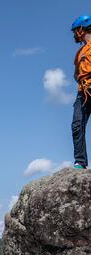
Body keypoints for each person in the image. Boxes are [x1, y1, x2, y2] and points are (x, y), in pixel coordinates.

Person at [72, 16, 91, 169]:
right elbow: (75, 73)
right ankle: (80, 161)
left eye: (75, 31)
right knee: (77, 125)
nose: (74, 35)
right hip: (83, 93)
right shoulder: (79, 53)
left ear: (82, 29)